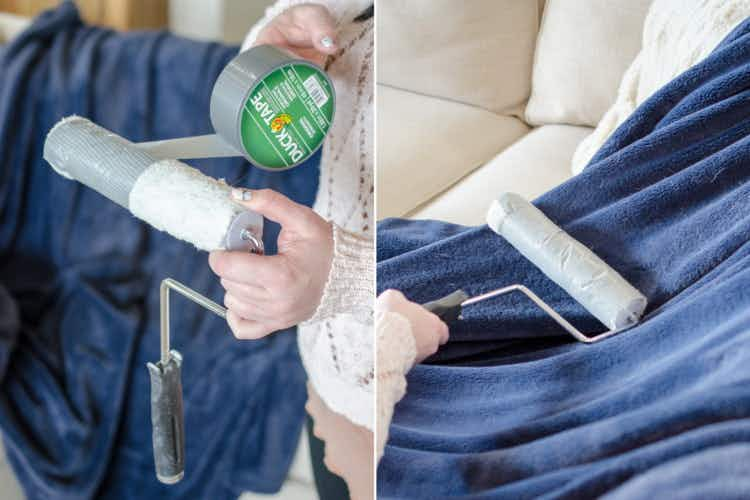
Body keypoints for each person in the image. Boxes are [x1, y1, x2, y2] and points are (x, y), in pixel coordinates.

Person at [206, 1, 375, 498]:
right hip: (326, 362)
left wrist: (349, 275)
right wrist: (272, 47)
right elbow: (301, 21)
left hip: (403, 400)